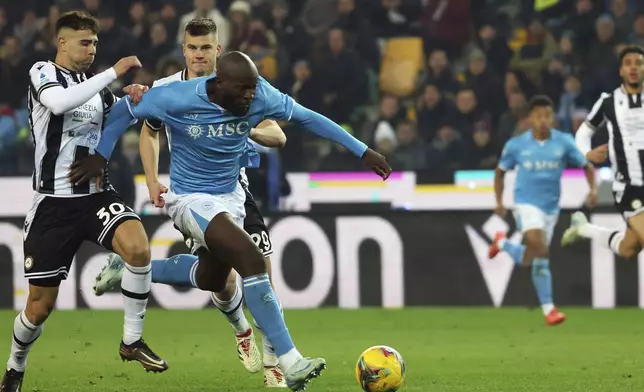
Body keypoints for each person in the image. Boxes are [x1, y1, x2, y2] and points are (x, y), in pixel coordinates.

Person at [68, 51, 391, 391]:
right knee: (251, 260)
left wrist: (363, 151)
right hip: (190, 199)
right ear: (219, 84)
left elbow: (309, 118)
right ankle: (290, 361)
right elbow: (124, 111)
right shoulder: (177, 97)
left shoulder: (261, 94)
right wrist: (99, 156)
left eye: (253, 89)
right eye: (242, 90)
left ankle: (129, 271)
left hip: (231, 197)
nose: (250, 97)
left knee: (212, 276)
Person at [92, 18, 288, 388]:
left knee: (262, 271)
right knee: (222, 282)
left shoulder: (238, 86)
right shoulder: (166, 90)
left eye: (206, 48)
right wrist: (151, 180)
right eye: (192, 48)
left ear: (218, 50)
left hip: (237, 191)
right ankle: (241, 330)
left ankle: (274, 362)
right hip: (193, 195)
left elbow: (278, 135)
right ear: (184, 50)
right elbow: (149, 134)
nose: (199, 55)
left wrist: (250, 126)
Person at [0, 11, 167, 392]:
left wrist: (132, 95)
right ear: (62, 42)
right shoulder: (43, 72)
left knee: (139, 247)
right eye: (84, 42)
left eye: (95, 43)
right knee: (39, 307)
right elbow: (58, 104)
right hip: (53, 205)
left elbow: (118, 114)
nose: (91, 49)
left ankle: (131, 340)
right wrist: (114, 72)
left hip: (94, 196)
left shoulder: (95, 87)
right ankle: (15, 365)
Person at [488, 95, 597, 326]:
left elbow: (586, 166)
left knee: (534, 258)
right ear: (530, 118)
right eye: (538, 116)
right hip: (525, 204)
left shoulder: (564, 142)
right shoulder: (516, 145)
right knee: (539, 249)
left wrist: (593, 190)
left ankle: (503, 244)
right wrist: (499, 201)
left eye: (547, 115)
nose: (543, 120)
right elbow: (499, 172)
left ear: (552, 117)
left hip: (550, 209)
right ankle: (550, 309)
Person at [562, 46, 644, 261]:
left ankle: (583, 229)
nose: (634, 68)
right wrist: (587, 154)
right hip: (629, 188)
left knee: (628, 248)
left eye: (639, 63)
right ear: (621, 71)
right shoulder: (608, 103)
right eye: (628, 64)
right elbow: (582, 135)